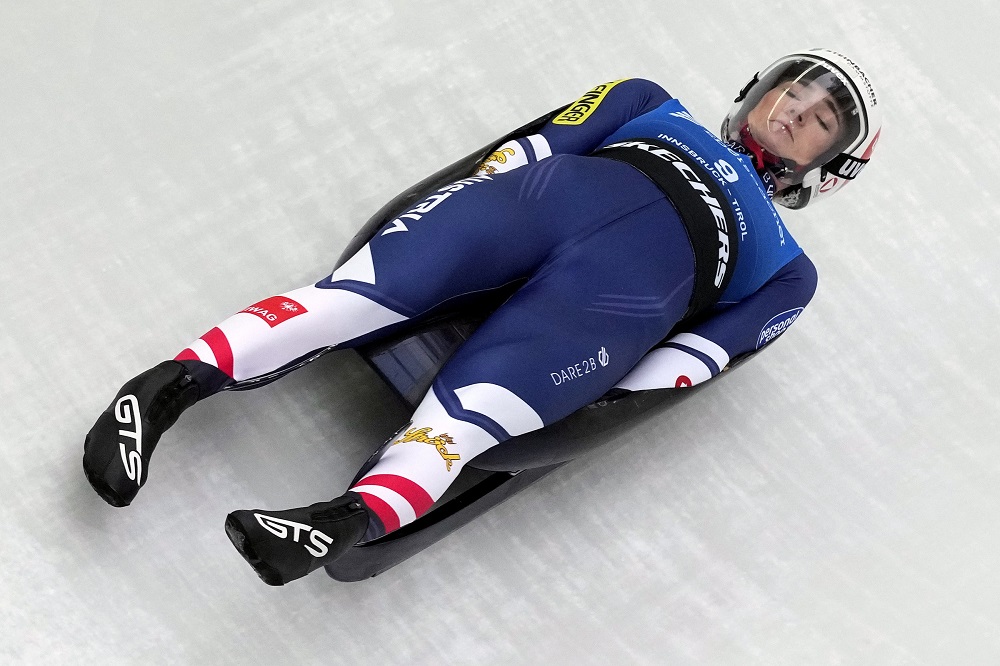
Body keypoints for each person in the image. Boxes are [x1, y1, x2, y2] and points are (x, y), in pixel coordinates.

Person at [82, 49, 882, 586]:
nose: (793, 113)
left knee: (464, 421)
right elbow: (524, 150)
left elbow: (695, 363)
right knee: (351, 297)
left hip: (607, 306)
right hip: (527, 212)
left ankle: (340, 521)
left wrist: (592, 405)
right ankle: (160, 393)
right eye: (793, 92)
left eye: (816, 121)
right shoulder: (649, 102)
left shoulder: (787, 271)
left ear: (827, 167)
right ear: (759, 87)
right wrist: (445, 210)